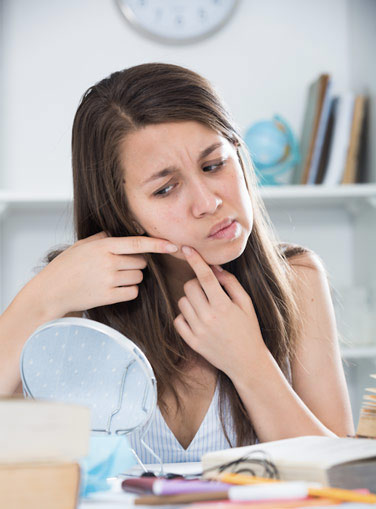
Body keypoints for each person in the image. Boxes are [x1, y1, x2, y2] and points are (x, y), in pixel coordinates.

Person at [0, 63, 354, 463]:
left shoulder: (298, 279)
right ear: (122, 211)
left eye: (214, 164)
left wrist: (251, 364)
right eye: (166, 188)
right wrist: (42, 297)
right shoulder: (73, 301)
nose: (208, 203)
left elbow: (342, 476)